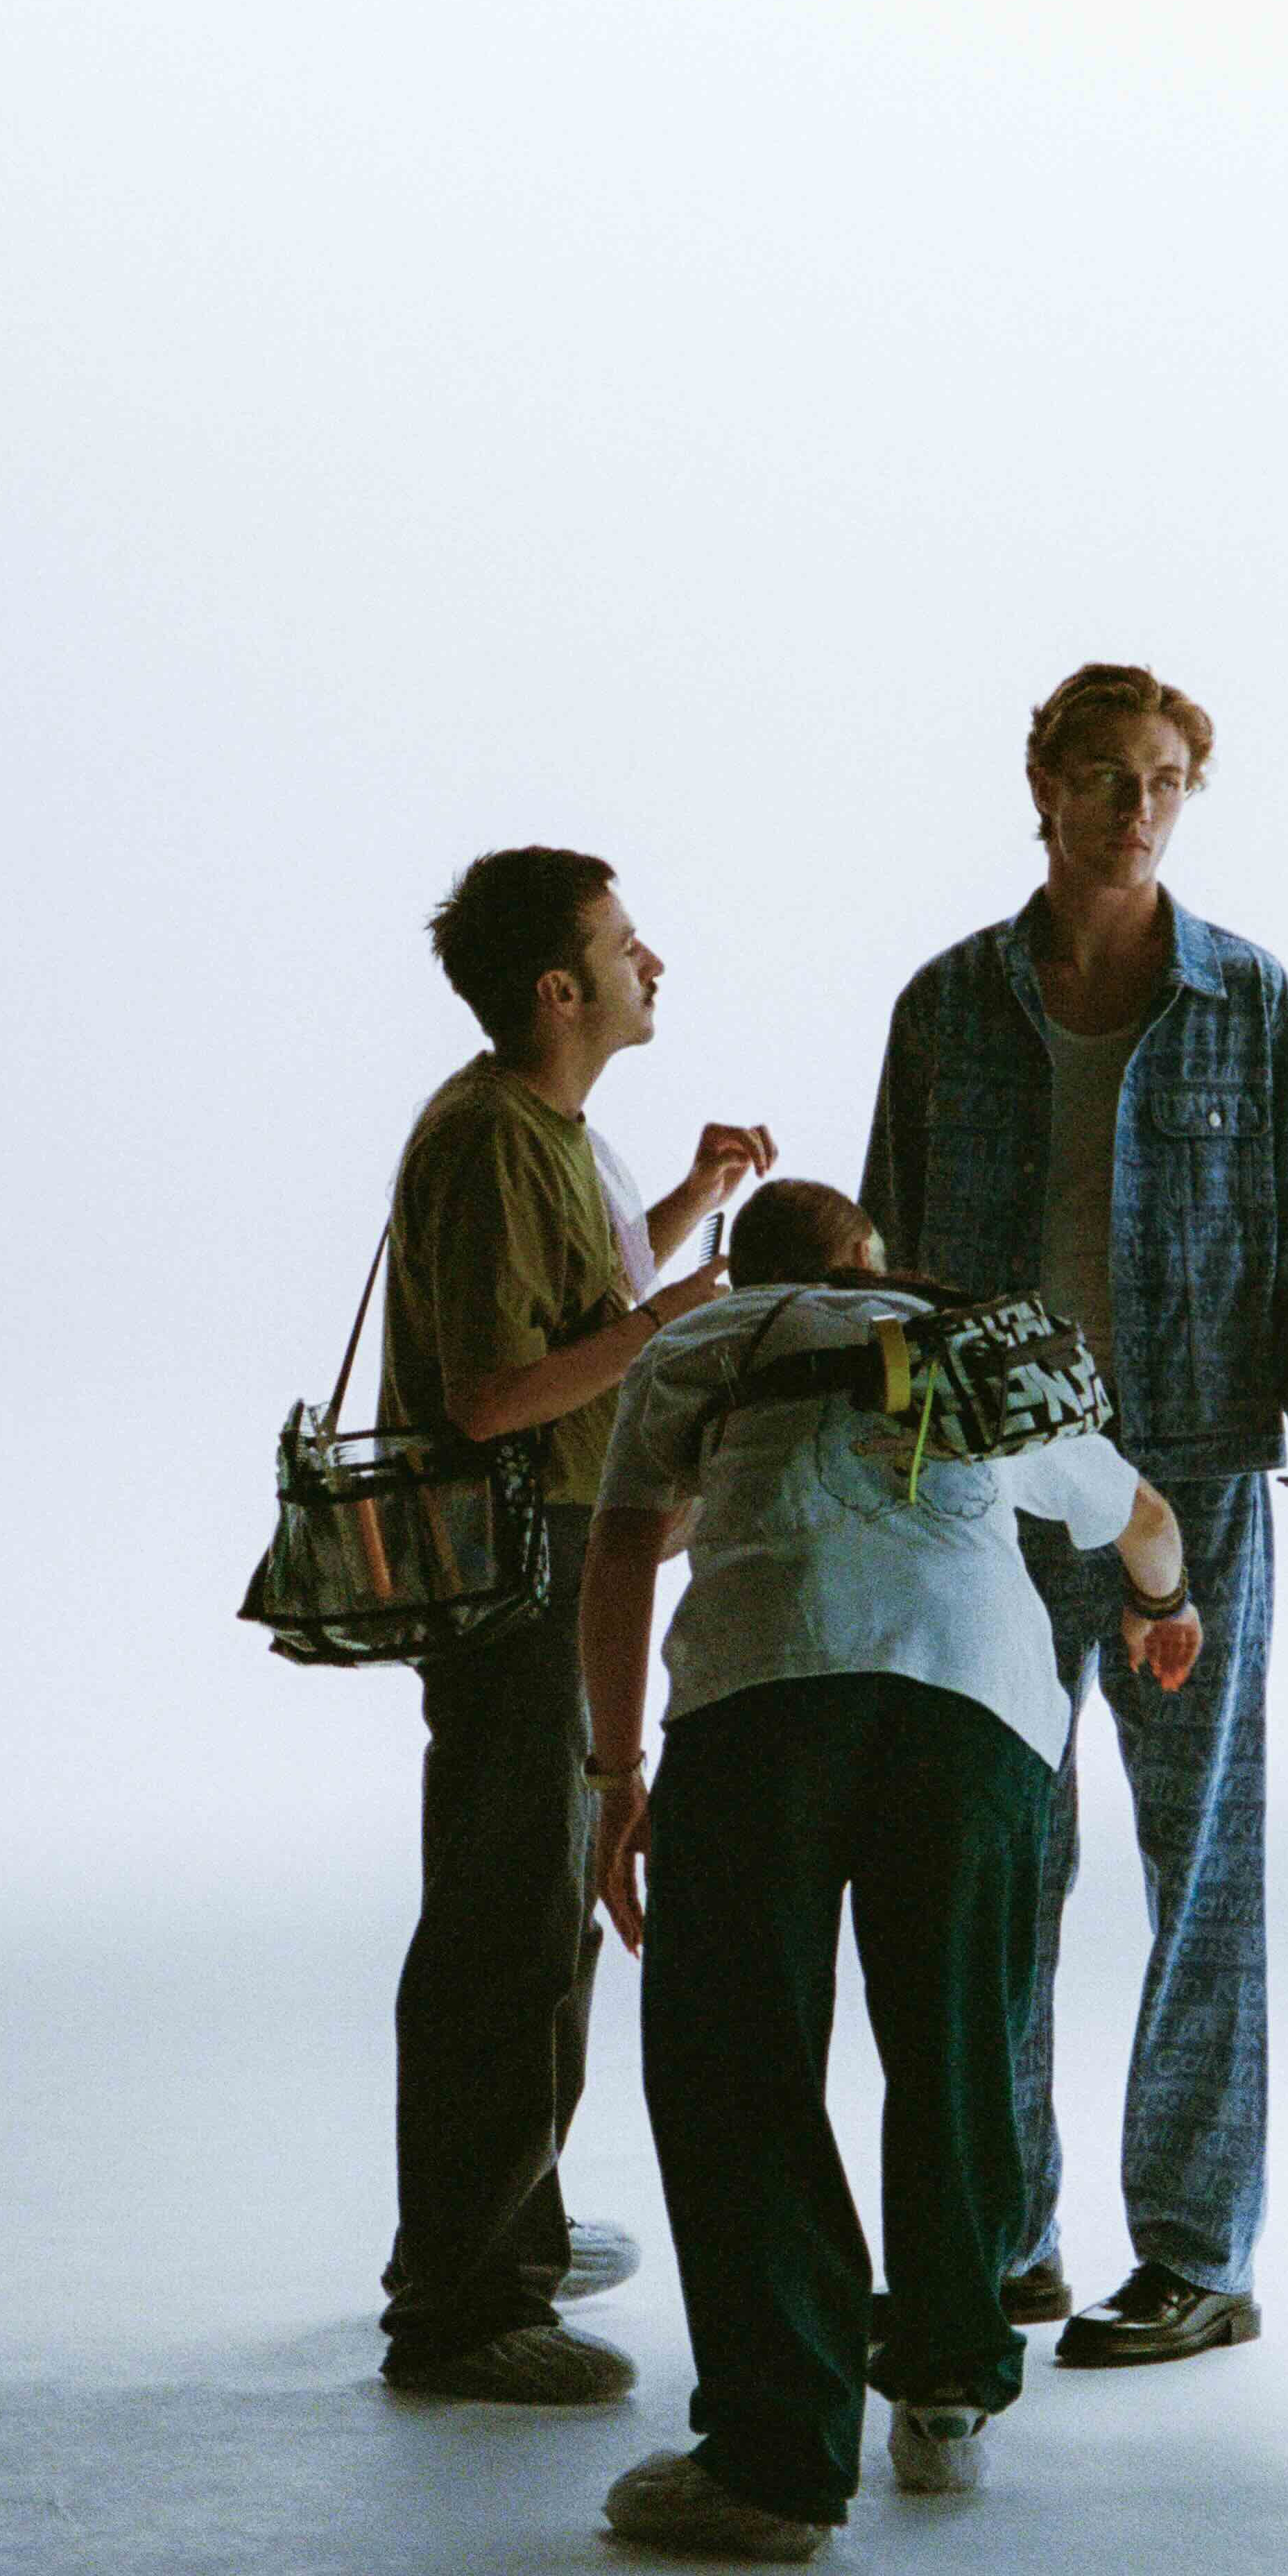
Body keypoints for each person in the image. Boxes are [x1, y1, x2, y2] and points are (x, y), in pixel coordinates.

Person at [857, 663, 1288, 2369]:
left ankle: (1199, 2253)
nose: (1133, 805)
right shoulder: (947, 1005)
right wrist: (884, 1478)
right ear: (1041, 780)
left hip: (1202, 1485)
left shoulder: (1254, 1004)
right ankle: (1009, 2232)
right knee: (1003, 1860)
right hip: (996, 1497)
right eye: (1102, 772)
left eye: (1164, 778)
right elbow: (885, 1256)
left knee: (1201, 1868)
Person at [579, 1179, 1207, 2559]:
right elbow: (1146, 1519)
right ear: (879, 1259)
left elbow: (622, 1544)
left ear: (742, 1265)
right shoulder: (974, 1338)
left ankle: (774, 2456)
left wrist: (615, 1777)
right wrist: (1164, 1611)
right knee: (959, 2043)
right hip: (971, 1712)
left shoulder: (701, 1343)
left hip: (762, 1697)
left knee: (736, 2060)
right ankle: (944, 2393)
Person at [371, 847, 773, 2404]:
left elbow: (566, 1309)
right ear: (560, 989)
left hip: (551, 1555)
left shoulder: (540, 1129)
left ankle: (504, 2222)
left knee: (535, 1911)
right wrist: (684, 1314)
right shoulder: (488, 1138)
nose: (651, 960)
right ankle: (466, 2301)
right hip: (517, 1565)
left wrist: (683, 1209)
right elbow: (494, 1392)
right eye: (622, 943)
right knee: (506, 1923)